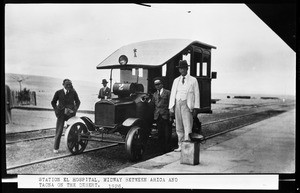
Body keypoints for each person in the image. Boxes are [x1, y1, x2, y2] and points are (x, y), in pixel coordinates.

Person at [168, 60, 200, 152]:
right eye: (180, 68)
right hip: (178, 103)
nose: (182, 70)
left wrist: (196, 108)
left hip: (187, 104)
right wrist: (171, 107)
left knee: (187, 125)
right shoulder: (176, 80)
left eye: (183, 68)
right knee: (179, 126)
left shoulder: (193, 80)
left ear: (187, 68)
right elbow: (173, 93)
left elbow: (197, 94)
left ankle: (187, 145)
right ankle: (180, 145)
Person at [51, 79, 81, 153]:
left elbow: (78, 102)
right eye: (67, 84)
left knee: (71, 131)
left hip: (70, 115)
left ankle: (70, 146)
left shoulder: (73, 92)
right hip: (61, 114)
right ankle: (56, 148)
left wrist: (74, 110)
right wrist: (56, 110)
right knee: (59, 130)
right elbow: (53, 102)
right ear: (63, 84)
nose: (68, 86)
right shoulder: (58, 92)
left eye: (69, 84)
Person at [152, 77, 172, 153]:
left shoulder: (167, 92)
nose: (157, 86)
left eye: (158, 84)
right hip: (158, 116)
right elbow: (154, 105)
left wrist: (171, 116)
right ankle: (161, 149)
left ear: (162, 84)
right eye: (155, 85)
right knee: (160, 134)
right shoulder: (155, 94)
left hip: (166, 116)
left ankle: (168, 149)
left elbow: (171, 105)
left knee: (167, 134)